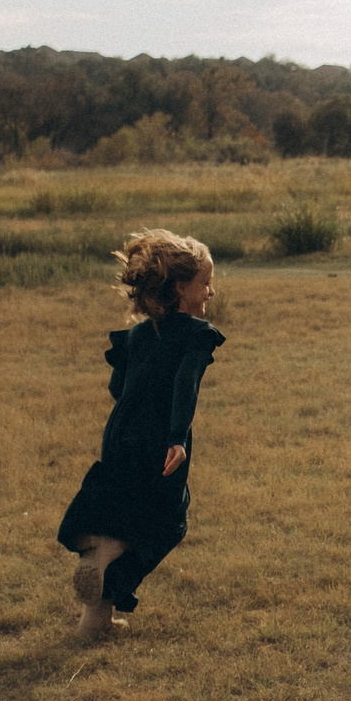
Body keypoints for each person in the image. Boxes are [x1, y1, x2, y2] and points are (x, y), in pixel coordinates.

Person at [56, 229, 226, 642]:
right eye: (205, 283)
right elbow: (185, 386)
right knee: (168, 521)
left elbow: (118, 388)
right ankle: (108, 554)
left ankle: (94, 624)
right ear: (182, 287)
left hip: (118, 434)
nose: (211, 292)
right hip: (159, 438)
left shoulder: (136, 335)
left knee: (122, 509)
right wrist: (177, 438)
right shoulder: (196, 335)